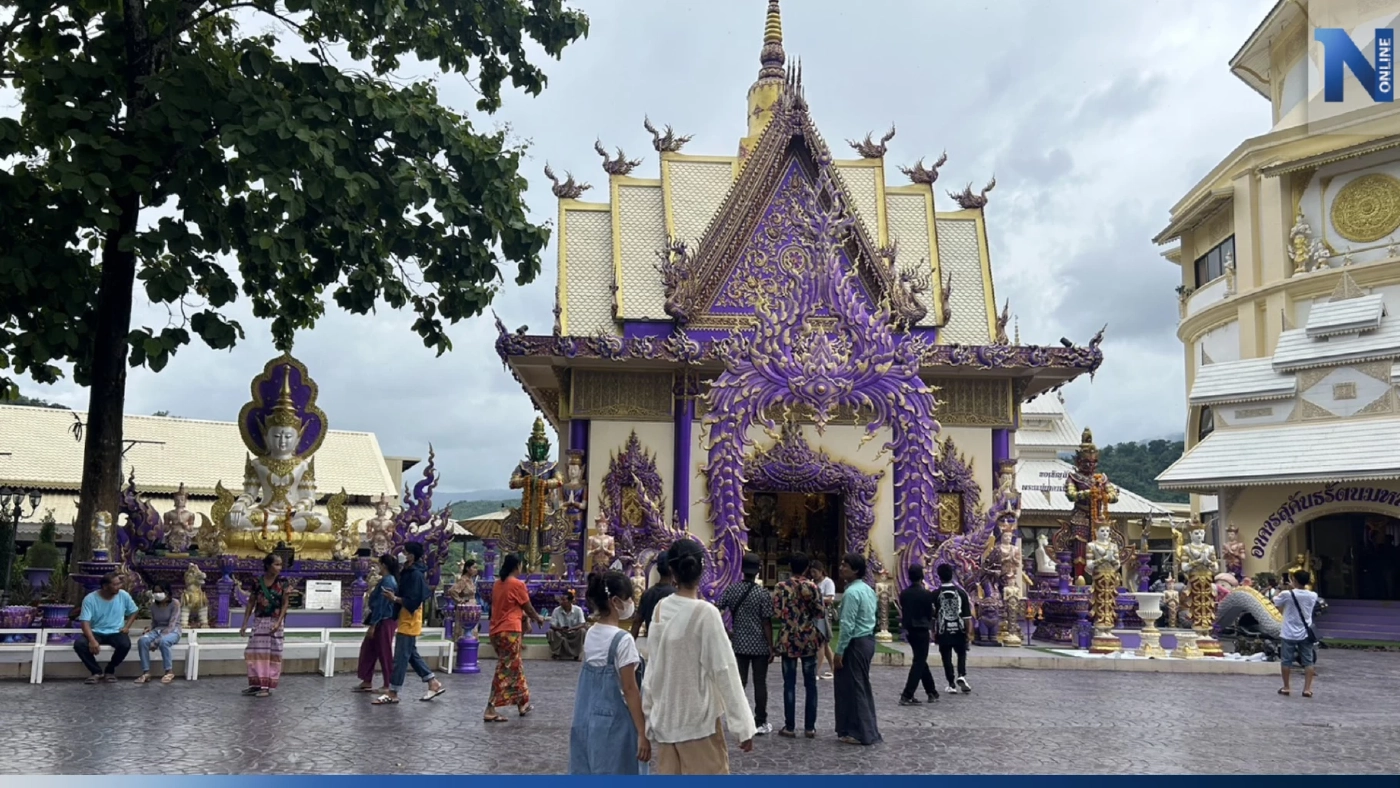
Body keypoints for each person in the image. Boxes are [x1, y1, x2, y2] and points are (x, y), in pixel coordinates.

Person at [642, 539, 755, 774]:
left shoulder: (661, 609)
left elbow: (653, 668)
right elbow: (724, 670)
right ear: (702, 571)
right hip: (698, 726)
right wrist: (742, 726)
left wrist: (649, 714)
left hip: (666, 722)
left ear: (672, 571)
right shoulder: (706, 614)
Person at [569, 570, 649, 775]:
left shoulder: (591, 633)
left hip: (586, 720)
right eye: (628, 598)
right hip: (616, 726)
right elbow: (630, 689)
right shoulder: (623, 640)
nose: (631, 602)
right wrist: (642, 732)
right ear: (615, 601)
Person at [375, 542, 446, 704]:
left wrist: (394, 598)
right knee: (411, 654)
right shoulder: (409, 572)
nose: (402, 555)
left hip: (410, 618)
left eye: (405, 552)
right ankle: (432, 682)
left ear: (412, 556)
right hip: (405, 617)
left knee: (400, 657)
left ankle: (393, 692)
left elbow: (413, 599)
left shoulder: (415, 575)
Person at [484, 553, 545, 721]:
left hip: (496, 630)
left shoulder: (498, 584)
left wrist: (525, 618)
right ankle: (490, 708)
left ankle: (522, 702)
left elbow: (508, 606)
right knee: (505, 668)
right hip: (510, 631)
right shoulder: (517, 584)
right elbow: (528, 606)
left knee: (515, 666)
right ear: (517, 566)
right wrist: (537, 618)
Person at [719, 552, 775, 736]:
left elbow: (717, 609)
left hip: (739, 643)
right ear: (758, 570)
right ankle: (760, 721)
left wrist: (727, 631)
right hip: (759, 643)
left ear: (742, 570)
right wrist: (770, 646)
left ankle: (739, 719)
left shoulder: (732, 590)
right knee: (760, 683)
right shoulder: (762, 593)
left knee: (739, 683)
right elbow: (767, 622)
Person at [771, 552, 823, 739]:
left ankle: (790, 726)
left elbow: (776, 612)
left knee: (789, 684)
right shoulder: (812, 587)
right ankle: (810, 727)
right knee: (811, 684)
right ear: (807, 568)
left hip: (788, 638)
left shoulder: (780, 587)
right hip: (808, 638)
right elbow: (820, 612)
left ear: (790, 567)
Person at [832, 553, 881, 746]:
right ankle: (861, 728)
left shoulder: (852, 593)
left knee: (855, 687)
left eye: (846, 565)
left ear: (856, 570)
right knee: (858, 685)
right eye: (842, 564)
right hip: (867, 640)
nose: (842, 568)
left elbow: (847, 626)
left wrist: (839, 651)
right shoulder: (867, 590)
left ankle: (860, 731)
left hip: (855, 642)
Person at [239, 554, 290, 697]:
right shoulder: (257, 582)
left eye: (280, 565)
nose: (279, 568)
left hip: (275, 622)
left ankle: (266, 686)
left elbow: (285, 604)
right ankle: (255, 684)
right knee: (253, 653)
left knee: (272, 654)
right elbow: (251, 603)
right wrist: (244, 623)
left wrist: (279, 622)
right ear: (268, 565)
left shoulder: (283, 583)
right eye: (276, 564)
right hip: (260, 621)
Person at [74, 572, 138, 684]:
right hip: (96, 631)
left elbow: (134, 611)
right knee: (80, 644)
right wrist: (92, 640)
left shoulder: (123, 595)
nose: (119, 587)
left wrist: (127, 627)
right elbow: (85, 622)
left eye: (120, 584)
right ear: (105, 586)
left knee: (125, 644)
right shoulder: (90, 599)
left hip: (116, 631)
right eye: (115, 584)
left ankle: (110, 670)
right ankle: (96, 671)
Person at [354, 554, 399, 694]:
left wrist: (373, 625)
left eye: (378, 564)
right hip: (380, 619)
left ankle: (388, 684)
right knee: (369, 648)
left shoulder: (388, 582)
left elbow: (381, 605)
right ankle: (366, 679)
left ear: (384, 565)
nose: (376, 567)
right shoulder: (385, 580)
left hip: (384, 620)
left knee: (384, 652)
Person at [1275, 569, 1321, 698]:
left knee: (1286, 661)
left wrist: (1282, 587)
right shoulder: (1313, 595)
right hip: (1306, 632)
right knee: (1308, 661)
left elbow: (1276, 601)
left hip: (1288, 632)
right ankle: (1307, 689)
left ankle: (1286, 687)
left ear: (1294, 580)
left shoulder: (1287, 594)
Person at [897, 564, 939, 705]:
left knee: (920, 660)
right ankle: (907, 694)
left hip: (910, 630)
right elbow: (930, 613)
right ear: (922, 577)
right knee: (919, 662)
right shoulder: (926, 594)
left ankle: (931, 691)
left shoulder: (904, 594)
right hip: (921, 629)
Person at [631, 552, 674, 685]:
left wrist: (630, 646)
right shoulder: (674, 595)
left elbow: (637, 622)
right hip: (671, 649)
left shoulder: (648, 594)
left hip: (653, 646)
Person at [933, 563, 974, 695]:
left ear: (939, 577)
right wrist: (969, 633)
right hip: (959, 629)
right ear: (952, 575)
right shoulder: (961, 593)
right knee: (961, 653)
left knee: (946, 657)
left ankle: (951, 684)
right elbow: (967, 617)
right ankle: (961, 674)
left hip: (943, 629)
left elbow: (933, 617)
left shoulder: (935, 594)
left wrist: (933, 631)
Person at [135, 582, 182, 684]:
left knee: (164, 642)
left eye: (160, 591)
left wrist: (156, 641)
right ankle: (146, 672)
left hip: (173, 630)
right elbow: (155, 622)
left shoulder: (175, 604)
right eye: (155, 592)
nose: (157, 594)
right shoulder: (153, 606)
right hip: (157, 629)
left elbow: (172, 624)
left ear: (167, 592)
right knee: (142, 641)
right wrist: (149, 628)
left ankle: (168, 671)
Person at [809, 560, 837, 680]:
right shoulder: (812, 583)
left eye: (815, 572)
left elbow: (830, 599)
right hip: (815, 614)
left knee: (820, 643)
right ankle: (834, 669)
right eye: (812, 572)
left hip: (824, 614)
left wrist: (816, 598)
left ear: (821, 571)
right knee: (825, 644)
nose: (813, 574)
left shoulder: (828, 582)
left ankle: (817, 671)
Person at [549, 590, 587, 661]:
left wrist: (572, 629)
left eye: (563, 600)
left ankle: (577, 654)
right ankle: (556, 653)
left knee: (582, 631)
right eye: (561, 600)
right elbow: (552, 625)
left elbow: (582, 624)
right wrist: (560, 629)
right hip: (561, 632)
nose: (561, 602)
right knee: (550, 632)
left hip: (574, 632)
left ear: (570, 601)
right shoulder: (556, 610)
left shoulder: (578, 610)